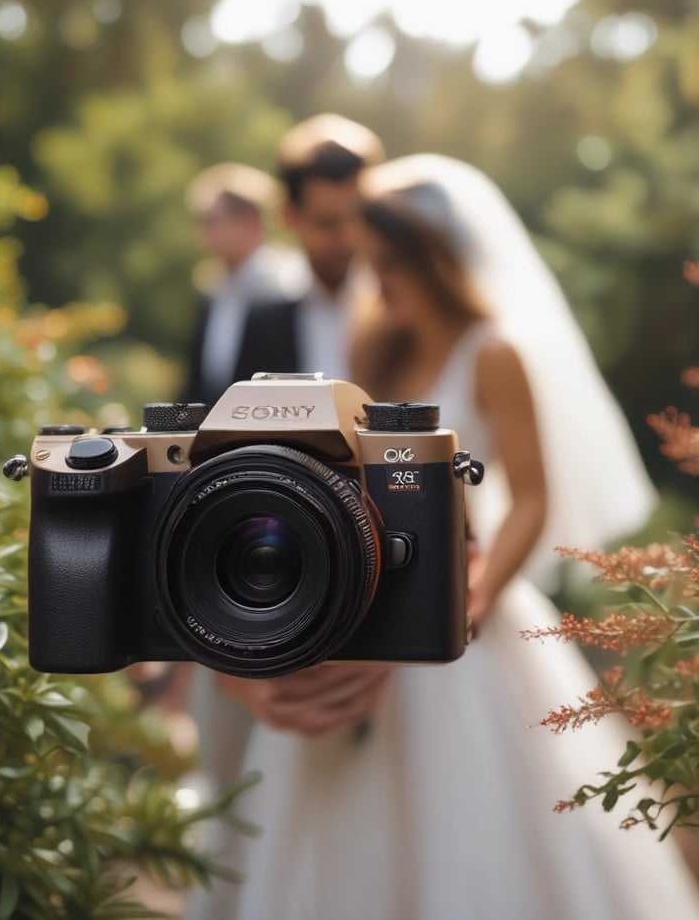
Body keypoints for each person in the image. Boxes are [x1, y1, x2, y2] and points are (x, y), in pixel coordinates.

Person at [183, 155, 699, 920]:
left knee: (476, 811)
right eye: (371, 261)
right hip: (368, 596)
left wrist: (475, 595)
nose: (376, 279)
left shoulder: (494, 352)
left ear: (435, 260)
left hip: (470, 601)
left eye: (391, 263)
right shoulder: (375, 345)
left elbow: (530, 499)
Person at [232, 112, 385, 382]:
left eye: (359, 217)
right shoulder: (263, 321)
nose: (349, 238)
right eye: (328, 223)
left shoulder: (404, 312)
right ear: (290, 216)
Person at [179, 162, 304, 406]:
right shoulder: (214, 291)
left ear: (248, 221)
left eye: (212, 221)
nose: (202, 233)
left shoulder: (289, 286)